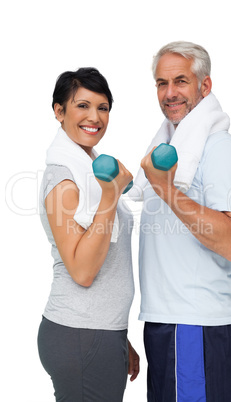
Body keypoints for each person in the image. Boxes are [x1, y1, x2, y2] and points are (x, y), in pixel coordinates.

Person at [130, 42, 231, 401]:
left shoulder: (219, 149)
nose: (169, 94)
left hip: (194, 326)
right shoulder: (170, 150)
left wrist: (167, 191)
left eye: (180, 81)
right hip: (169, 321)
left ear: (205, 85)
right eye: (161, 83)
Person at [37, 67, 139, 402]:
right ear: (59, 111)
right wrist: (111, 195)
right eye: (82, 106)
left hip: (96, 333)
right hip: (81, 334)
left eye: (103, 107)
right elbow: (82, 271)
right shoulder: (65, 180)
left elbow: (105, 261)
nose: (94, 117)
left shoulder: (88, 165)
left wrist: (119, 338)